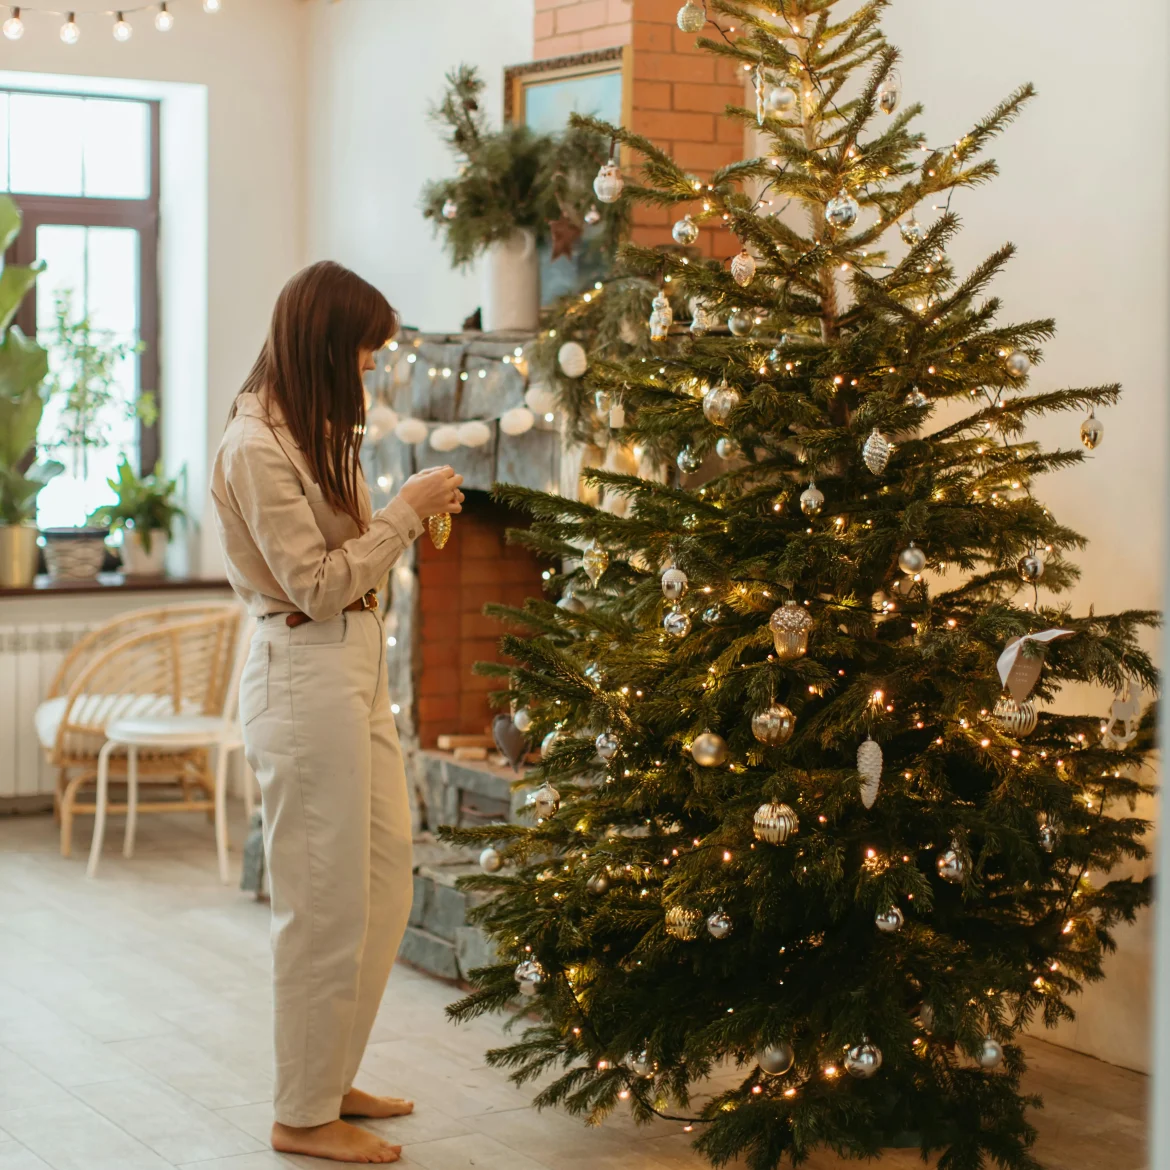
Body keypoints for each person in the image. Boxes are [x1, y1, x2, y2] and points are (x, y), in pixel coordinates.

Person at [211, 261, 463, 1164]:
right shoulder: (253, 447)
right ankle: (302, 1115)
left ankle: (328, 1078)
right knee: (321, 907)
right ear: (321, 347)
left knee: (385, 883)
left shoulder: (313, 431)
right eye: (359, 357)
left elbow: (353, 561)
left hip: (353, 669)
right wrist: (404, 512)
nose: (366, 376)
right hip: (302, 670)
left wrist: (399, 519)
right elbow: (316, 586)